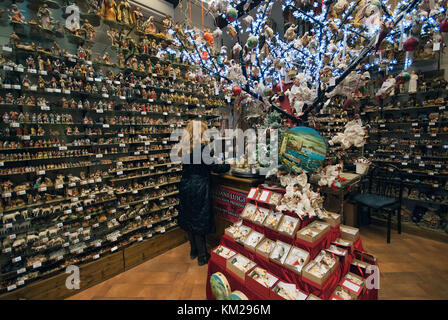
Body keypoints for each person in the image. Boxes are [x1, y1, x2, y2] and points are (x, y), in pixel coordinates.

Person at [177, 120, 230, 266]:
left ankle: (193, 250)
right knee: (199, 219)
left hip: (186, 185)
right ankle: (202, 256)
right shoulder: (203, 148)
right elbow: (215, 167)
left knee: (189, 218)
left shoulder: (184, 147)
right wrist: (227, 165)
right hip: (199, 187)